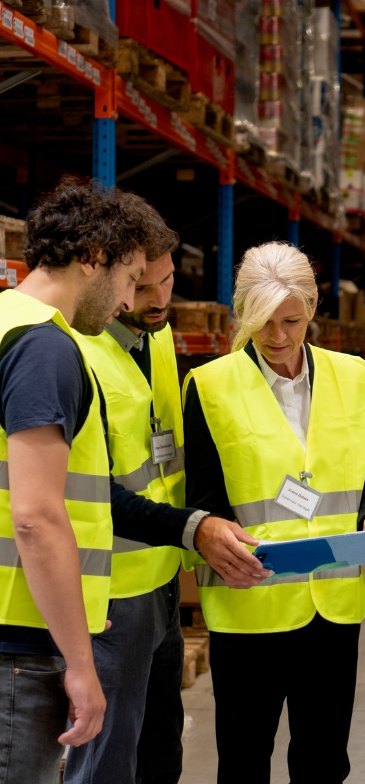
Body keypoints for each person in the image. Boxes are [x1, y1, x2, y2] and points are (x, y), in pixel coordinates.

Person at [183, 241, 365, 784]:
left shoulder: (354, 376)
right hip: (250, 605)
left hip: (334, 605)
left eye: (291, 321)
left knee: (324, 761)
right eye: (264, 322)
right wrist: (216, 538)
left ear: (312, 310)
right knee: (245, 759)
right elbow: (202, 502)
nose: (278, 337)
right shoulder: (210, 385)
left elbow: (363, 480)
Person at [65, 241, 267, 784]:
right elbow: (84, 489)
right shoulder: (76, 353)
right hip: (110, 590)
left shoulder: (157, 338)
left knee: (160, 751)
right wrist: (191, 528)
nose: (158, 299)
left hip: (161, 580)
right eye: (142, 285)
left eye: (168, 281)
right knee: (108, 758)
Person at [0, 179, 148, 783]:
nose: (130, 301)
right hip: (18, 646)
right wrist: (81, 664)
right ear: (93, 258)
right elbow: (36, 516)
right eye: (132, 277)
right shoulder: (45, 348)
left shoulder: (7, 319)